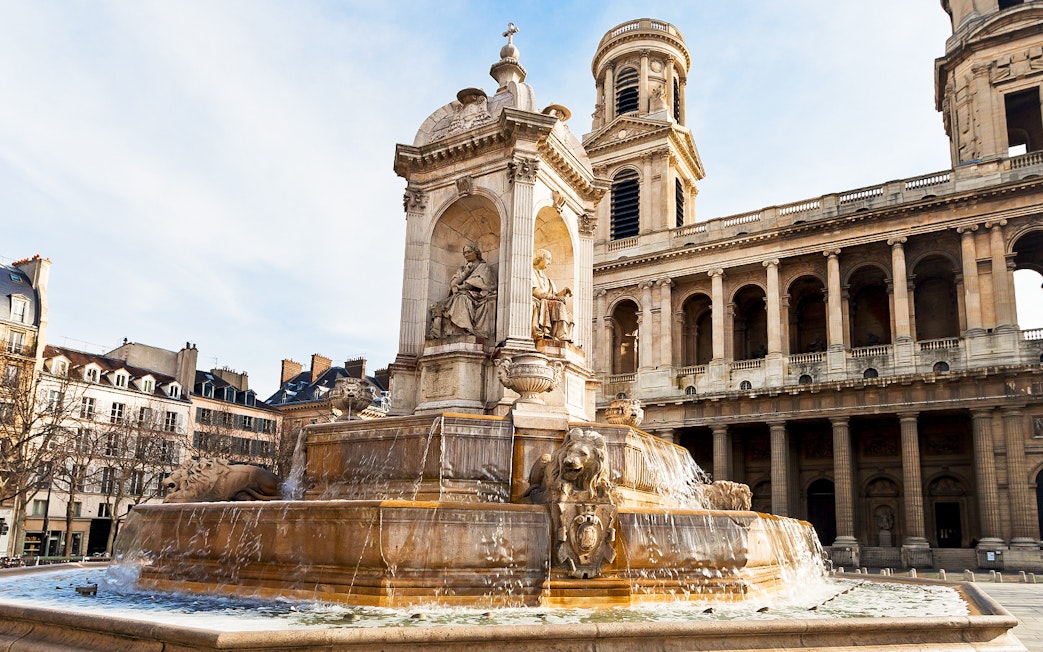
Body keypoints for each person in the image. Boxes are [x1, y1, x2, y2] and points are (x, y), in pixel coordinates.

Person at [429, 243, 496, 339]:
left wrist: (463, 286)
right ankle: (436, 334)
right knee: (441, 304)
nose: (466, 255)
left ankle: (464, 329)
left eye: (469, 252)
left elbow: (483, 282)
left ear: (476, 253)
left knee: (462, 299)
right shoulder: (462, 269)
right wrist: (466, 273)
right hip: (460, 294)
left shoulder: (483, 267)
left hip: (476, 296)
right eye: (464, 253)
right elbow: (453, 284)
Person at [531, 248, 573, 342]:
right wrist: (554, 297)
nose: (549, 263)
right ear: (540, 258)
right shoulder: (531, 273)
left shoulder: (547, 279)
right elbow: (535, 290)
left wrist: (563, 293)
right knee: (559, 305)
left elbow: (554, 294)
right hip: (539, 300)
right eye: (548, 259)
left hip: (547, 301)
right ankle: (559, 334)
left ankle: (561, 334)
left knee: (569, 314)